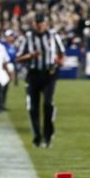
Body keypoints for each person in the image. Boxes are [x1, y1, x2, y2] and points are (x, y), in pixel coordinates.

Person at [17, 13, 65, 147]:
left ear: (45, 23)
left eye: (41, 22)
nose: (39, 25)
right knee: (33, 107)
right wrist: (30, 55)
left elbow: (62, 53)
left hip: (49, 74)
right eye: (37, 22)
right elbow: (18, 57)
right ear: (33, 23)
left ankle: (48, 135)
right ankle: (37, 136)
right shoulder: (27, 37)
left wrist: (59, 63)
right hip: (33, 74)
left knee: (48, 104)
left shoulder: (53, 35)